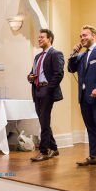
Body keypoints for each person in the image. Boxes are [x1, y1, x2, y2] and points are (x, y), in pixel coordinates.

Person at [68, 25, 96, 169]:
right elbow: (70, 69)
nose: (82, 38)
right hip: (84, 98)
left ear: (93, 36)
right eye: (81, 36)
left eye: (85, 35)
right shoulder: (81, 55)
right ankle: (93, 156)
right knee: (90, 128)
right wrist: (73, 53)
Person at [28, 29, 64, 162]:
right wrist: (30, 77)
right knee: (44, 121)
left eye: (42, 37)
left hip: (47, 91)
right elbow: (31, 73)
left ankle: (44, 151)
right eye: (38, 38)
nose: (39, 39)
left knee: (44, 121)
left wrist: (48, 89)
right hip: (36, 90)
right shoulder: (37, 57)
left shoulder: (56, 54)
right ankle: (54, 148)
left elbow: (59, 74)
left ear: (49, 39)